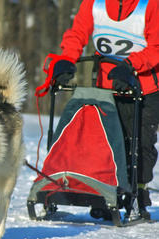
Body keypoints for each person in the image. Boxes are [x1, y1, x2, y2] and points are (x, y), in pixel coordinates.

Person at [51, 0, 159, 219]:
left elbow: (156, 47)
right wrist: (66, 61)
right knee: (106, 144)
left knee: (140, 143)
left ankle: (138, 196)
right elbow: (77, 33)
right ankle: (105, 193)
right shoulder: (93, 3)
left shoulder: (151, 4)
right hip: (107, 86)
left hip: (145, 87)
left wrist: (129, 65)